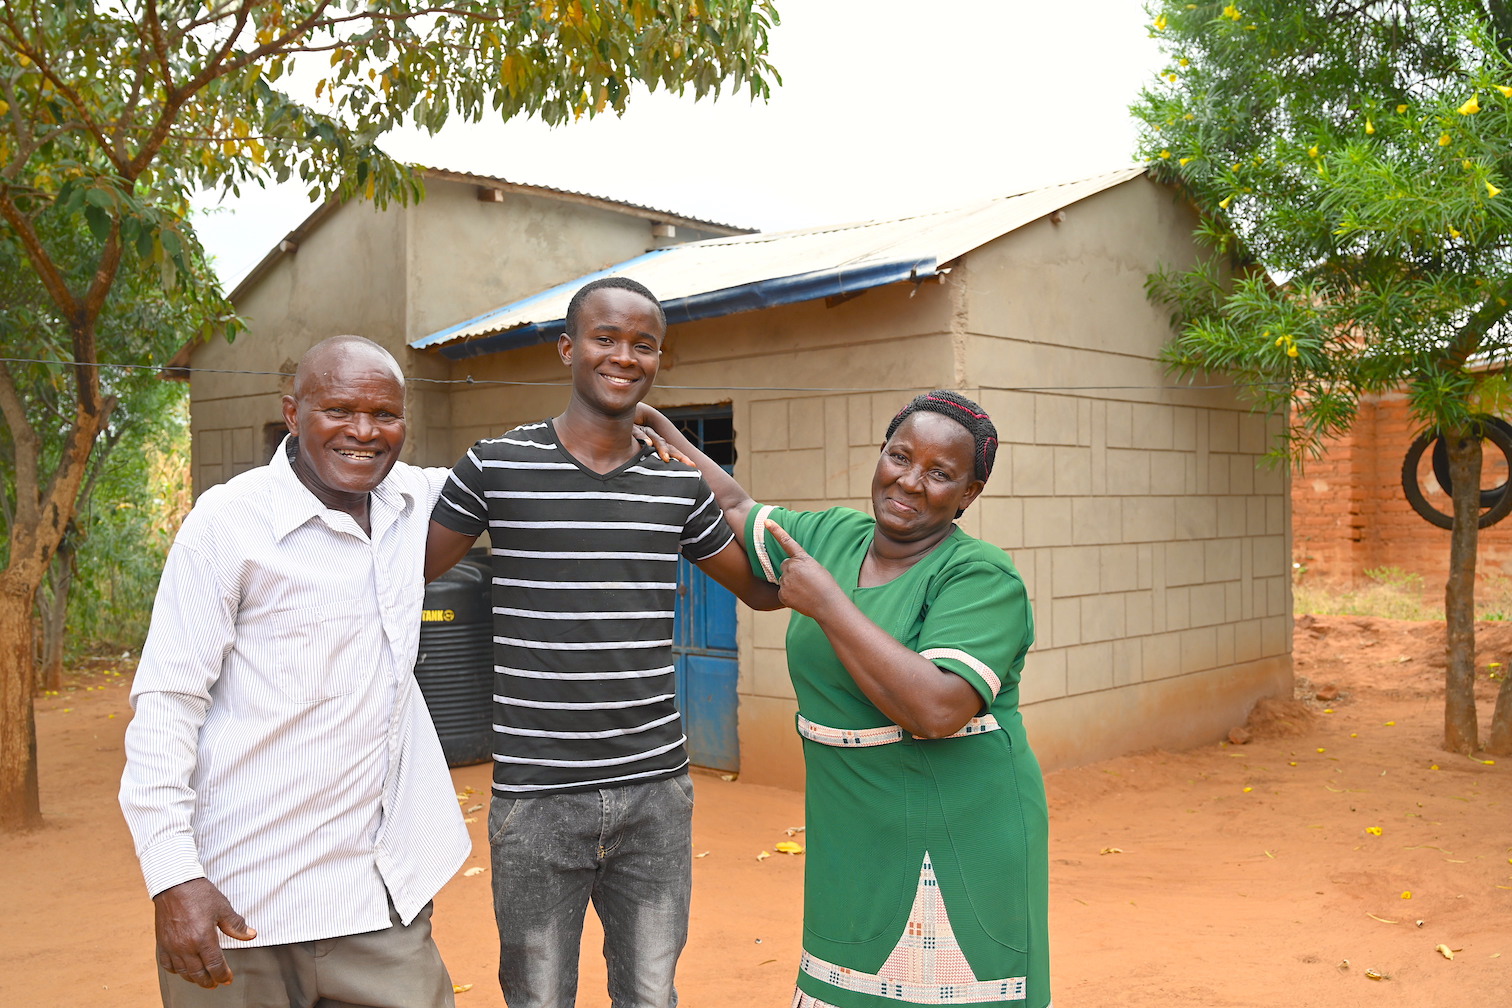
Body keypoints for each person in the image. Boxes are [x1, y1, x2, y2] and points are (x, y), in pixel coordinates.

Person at [424, 276, 782, 1008]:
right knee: (539, 997)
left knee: (651, 996)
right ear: (567, 348)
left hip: (655, 791)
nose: (624, 356)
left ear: (657, 361)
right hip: (536, 798)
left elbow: (763, 587)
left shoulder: (676, 488)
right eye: (605, 338)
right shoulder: (496, 468)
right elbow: (400, 581)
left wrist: (684, 447)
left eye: (643, 344)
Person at [636, 390, 1050, 1008]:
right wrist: (659, 430)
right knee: (845, 982)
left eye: (940, 474)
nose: (910, 482)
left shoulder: (980, 576)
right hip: (852, 824)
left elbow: (937, 709)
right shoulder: (834, 535)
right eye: (899, 456)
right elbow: (735, 504)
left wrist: (829, 604)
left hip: (954, 825)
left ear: (969, 495)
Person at [119, 335, 470, 1007]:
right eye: (338, 409)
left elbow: (540, 471)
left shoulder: (413, 503)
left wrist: (648, 430)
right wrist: (172, 878)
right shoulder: (228, 524)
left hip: (378, 903)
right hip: (239, 904)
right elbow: (167, 703)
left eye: (385, 414)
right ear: (292, 412)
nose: (364, 432)